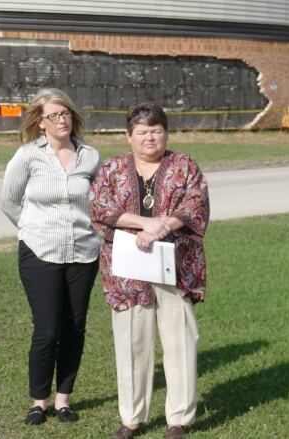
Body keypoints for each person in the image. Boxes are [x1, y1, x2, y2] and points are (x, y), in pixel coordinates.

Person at [90, 103, 209, 439]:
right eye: (142, 131)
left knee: (180, 340)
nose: (150, 137)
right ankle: (132, 418)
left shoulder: (183, 165)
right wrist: (145, 223)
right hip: (127, 272)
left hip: (175, 268)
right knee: (131, 342)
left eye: (156, 130)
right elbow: (100, 207)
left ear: (166, 133)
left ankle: (178, 419)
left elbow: (195, 202)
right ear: (129, 136)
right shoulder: (112, 169)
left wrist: (162, 227)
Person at [0, 88, 101, 426]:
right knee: (46, 329)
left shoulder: (90, 156)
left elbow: (99, 204)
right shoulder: (28, 155)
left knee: (74, 327)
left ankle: (63, 401)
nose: (61, 120)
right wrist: (30, 229)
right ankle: (39, 402)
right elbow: (10, 201)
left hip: (83, 253)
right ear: (40, 123)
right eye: (54, 115)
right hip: (39, 251)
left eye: (66, 113)